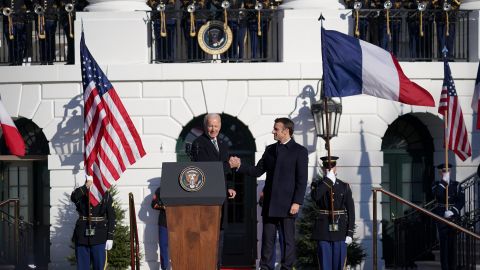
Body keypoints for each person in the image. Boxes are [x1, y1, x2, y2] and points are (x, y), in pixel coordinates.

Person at [229, 117, 308, 270]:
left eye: (276, 129)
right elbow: (257, 171)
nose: (273, 131)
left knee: (288, 242)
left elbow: (302, 180)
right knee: (267, 241)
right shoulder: (270, 149)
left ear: (286, 131)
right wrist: (240, 166)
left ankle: (286, 268)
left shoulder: (300, 151)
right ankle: (265, 268)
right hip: (270, 204)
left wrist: (297, 202)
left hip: (288, 205)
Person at [190, 113, 237, 270]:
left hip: (221, 196)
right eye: (210, 125)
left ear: (220, 126)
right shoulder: (198, 144)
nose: (213, 129)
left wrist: (230, 185)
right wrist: (228, 165)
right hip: (206, 198)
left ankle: (217, 265)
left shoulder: (223, 145)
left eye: (216, 126)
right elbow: (207, 171)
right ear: (205, 126)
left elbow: (226, 172)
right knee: (207, 234)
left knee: (220, 233)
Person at [310, 156, 355, 270]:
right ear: (323, 169)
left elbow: (351, 211)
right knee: (325, 265)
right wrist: (328, 181)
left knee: (339, 265)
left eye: (332, 167)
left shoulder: (344, 186)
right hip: (323, 230)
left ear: (336, 167)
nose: (329, 169)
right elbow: (315, 197)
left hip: (340, 230)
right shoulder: (317, 185)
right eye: (326, 167)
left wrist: (349, 233)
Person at [71, 175, 115, 270]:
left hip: (99, 236)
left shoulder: (105, 194)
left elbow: (111, 217)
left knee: (99, 267)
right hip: (82, 235)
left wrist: (110, 237)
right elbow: (73, 197)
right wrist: (86, 186)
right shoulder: (81, 192)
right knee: (82, 267)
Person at [432, 163, 465, 270]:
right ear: (440, 172)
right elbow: (437, 194)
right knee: (444, 243)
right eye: (444, 171)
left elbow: (461, 201)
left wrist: (453, 211)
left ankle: (453, 267)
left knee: (453, 243)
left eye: (448, 171)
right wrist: (443, 182)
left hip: (453, 216)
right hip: (441, 215)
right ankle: (445, 267)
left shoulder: (457, 185)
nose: (446, 172)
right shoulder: (436, 184)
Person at [2, 0, 29, 65]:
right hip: (8, 22)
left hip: (20, 21)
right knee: (10, 42)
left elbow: (28, 5)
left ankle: (19, 60)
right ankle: (12, 60)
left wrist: (21, 11)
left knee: (20, 42)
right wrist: (3, 9)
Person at [33, 0, 59, 65]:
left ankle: (50, 59)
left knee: (51, 40)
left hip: (51, 18)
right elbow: (34, 2)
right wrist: (36, 5)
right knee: (42, 40)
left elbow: (58, 3)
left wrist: (53, 9)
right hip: (40, 19)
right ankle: (43, 59)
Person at [151, 187, 169, 270]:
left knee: (180, 245)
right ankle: (164, 268)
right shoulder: (161, 189)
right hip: (164, 222)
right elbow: (153, 204)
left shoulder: (182, 188)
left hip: (179, 222)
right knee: (163, 246)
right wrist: (163, 206)